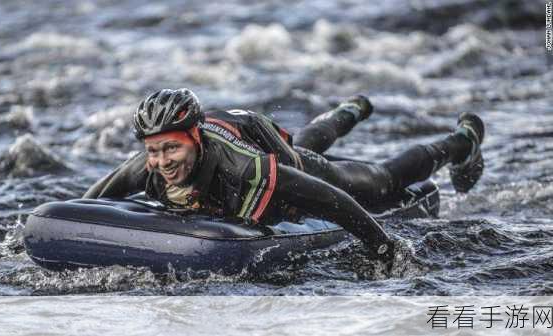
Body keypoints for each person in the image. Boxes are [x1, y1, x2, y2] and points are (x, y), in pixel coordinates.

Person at [84, 88, 484, 263]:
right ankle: (349, 110)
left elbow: (336, 201)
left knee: (374, 182)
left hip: (261, 144)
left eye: (172, 148)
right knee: (306, 145)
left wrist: (384, 249)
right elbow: (84, 207)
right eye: (154, 150)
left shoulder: (243, 167)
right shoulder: (147, 164)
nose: (163, 161)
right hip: (249, 132)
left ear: (195, 138)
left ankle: (462, 141)